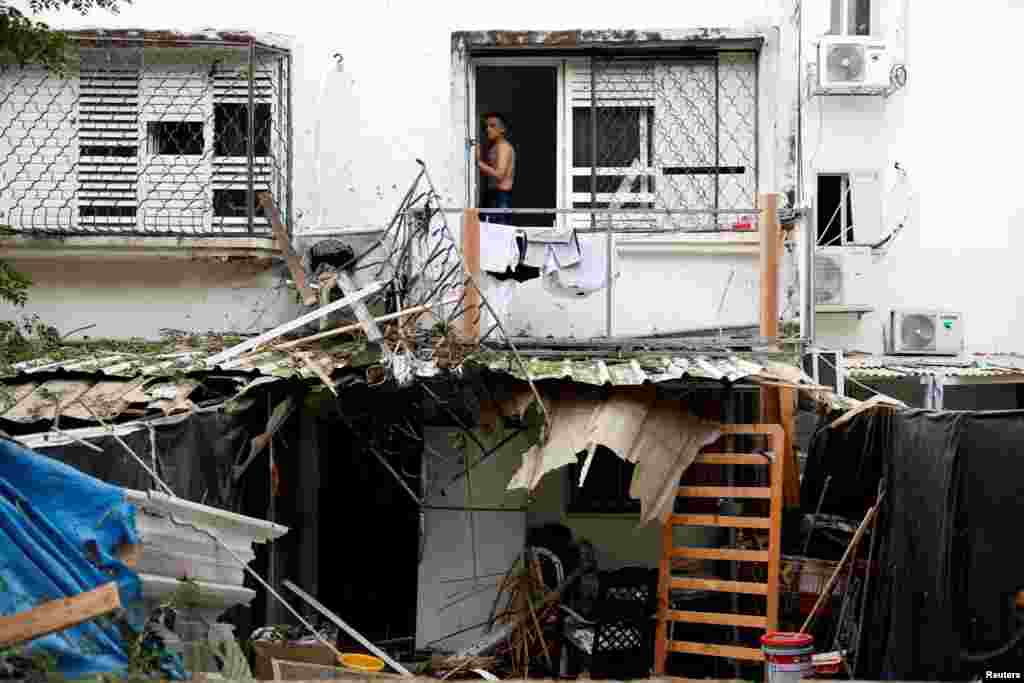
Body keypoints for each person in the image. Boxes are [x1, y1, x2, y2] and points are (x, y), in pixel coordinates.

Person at [476, 112, 516, 225]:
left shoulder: (503, 147)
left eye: (492, 126)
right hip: (493, 196)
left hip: (500, 198)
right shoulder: (494, 147)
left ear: (502, 129)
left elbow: (499, 175)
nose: (488, 129)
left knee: (497, 237)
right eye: (486, 126)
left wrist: (478, 163)